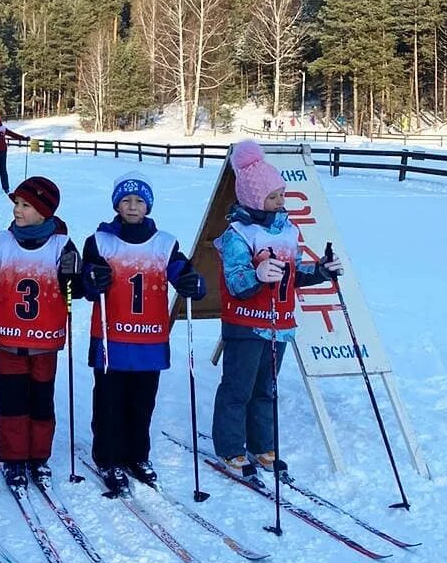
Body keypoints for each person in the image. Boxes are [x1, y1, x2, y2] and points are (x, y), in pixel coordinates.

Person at [211, 140, 343, 477]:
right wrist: (256, 275)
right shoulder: (238, 233)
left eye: (282, 194)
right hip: (245, 324)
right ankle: (230, 447)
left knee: (266, 390)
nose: (280, 201)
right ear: (255, 198)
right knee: (238, 389)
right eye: (273, 196)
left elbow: (294, 275)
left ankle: (262, 445)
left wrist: (322, 270)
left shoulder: (287, 230)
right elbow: (236, 282)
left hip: (279, 325)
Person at [81, 171, 206, 494]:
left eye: (139, 201)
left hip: (149, 338)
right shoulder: (100, 241)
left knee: (142, 402)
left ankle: (137, 455)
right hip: (111, 338)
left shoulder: (164, 243)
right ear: (116, 205)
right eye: (126, 200)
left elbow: (184, 273)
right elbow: (87, 284)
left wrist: (193, 283)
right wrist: (92, 278)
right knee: (109, 401)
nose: (133, 206)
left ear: (148, 206)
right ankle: (108, 456)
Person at [0, 176, 82, 487]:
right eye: (17, 204)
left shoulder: (61, 244)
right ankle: (14, 457)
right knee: (12, 401)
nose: (17, 210)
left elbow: (75, 291)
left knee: (41, 401)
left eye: (26, 205)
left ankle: (39, 456)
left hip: (45, 341)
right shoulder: (3, 241)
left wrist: (73, 273)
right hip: (9, 339)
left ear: (44, 212)